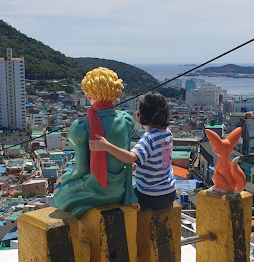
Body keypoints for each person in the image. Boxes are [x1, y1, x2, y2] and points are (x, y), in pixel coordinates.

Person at [50, 67, 138, 219]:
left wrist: (64, 178)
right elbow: (127, 163)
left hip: (95, 190)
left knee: (59, 196)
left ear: (90, 94)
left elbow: (81, 170)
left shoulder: (82, 126)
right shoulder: (126, 120)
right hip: (119, 191)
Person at [89, 92, 176, 209]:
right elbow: (156, 159)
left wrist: (106, 146)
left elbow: (130, 157)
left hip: (150, 195)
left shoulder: (149, 138)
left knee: (122, 197)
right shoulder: (167, 133)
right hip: (170, 192)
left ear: (139, 115)